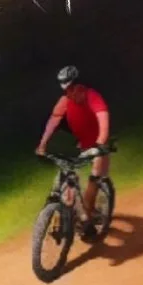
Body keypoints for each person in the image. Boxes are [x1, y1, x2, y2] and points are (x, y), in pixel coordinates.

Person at [36, 66, 110, 239]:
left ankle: (88, 219)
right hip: (81, 144)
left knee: (94, 179)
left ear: (80, 86)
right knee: (66, 175)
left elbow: (103, 120)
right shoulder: (65, 101)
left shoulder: (93, 97)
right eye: (66, 90)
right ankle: (63, 214)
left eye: (72, 89)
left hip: (99, 143)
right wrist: (43, 144)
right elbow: (53, 123)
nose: (70, 93)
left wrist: (100, 144)